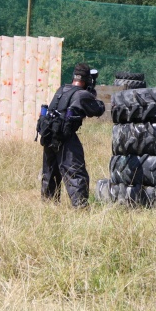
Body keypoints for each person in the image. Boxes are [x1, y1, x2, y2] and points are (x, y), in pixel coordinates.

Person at [41, 63, 105, 208]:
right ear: (87, 79)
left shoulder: (61, 89)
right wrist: (92, 94)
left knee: (50, 174)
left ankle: (48, 207)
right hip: (65, 138)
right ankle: (81, 208)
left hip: (49, 136)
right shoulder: (82, 94)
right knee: (76, 173)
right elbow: (99, 109)